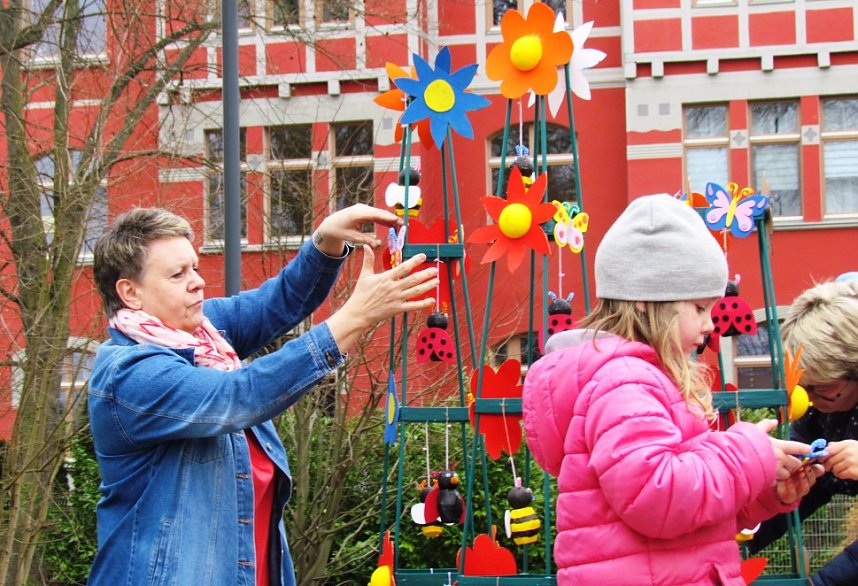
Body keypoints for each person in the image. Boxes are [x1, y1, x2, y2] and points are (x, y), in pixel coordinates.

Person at [87, 205, 438, 586]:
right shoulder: (129, 376)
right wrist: (354, 318)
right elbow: (241, 395)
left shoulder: (206, 335)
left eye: (195, 268)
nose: (197, 282)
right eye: (177, 274)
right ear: (130, 293)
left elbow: (279, 301)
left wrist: (327, 240)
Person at [522, 194, 821, 585]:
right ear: (648, 302)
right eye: (699, 307)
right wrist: (747, 454)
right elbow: (657, 497)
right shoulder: (624, 384)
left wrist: (767, 491)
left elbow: (690, 513)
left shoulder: (643, 379)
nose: (712, 324)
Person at [749, 277, 858, 586]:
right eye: (802, 387)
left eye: (822, 389)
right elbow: (806, 486)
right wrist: (743, 537)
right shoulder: (819, 413)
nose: (809, 399)